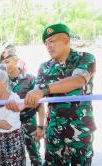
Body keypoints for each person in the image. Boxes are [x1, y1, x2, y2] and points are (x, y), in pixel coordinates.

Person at [24, 23, 96, 165]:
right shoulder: (45, 67)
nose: (48, 46)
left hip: (80, 132)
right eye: (46, 43)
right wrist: (13, 103)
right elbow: (36, 96)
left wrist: (44, 90)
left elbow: (77, 80)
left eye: (52, 41)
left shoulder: (85, 58)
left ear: (66, 41)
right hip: (54, 133)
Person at [0, 48, 44, 165]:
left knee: (35, 155)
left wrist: (41, 126)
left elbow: (40, 105)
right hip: (9, 124)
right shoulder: (1, 81)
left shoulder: (30, 79)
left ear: (16, 60)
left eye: (7, 61)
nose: (5, 64)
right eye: (3, 62)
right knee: (13, 157)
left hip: (29, 122)